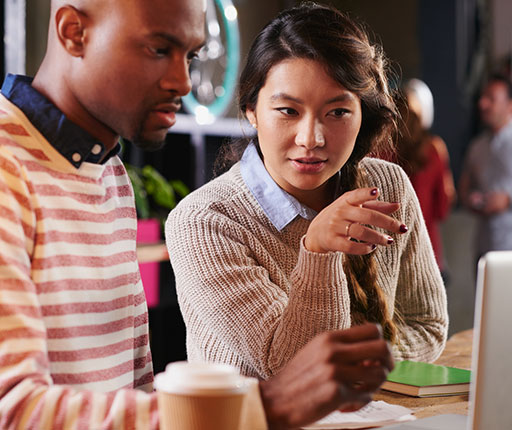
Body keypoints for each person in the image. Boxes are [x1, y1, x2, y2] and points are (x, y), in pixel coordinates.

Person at [0, 0, 394, 429]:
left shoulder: (106, 169)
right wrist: (263, 405)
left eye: (189, 56)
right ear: (74, 31)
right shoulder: (8, 165)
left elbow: (132, 388)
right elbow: (15, 410)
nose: (183, 82)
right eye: (158, 50)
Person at [166, 1, 448, 384]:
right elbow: (292, 371)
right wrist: (318, 251)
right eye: (287, 111)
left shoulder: (388, 185)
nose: (311, 139)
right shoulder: (204, 222)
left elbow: (427, 325)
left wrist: (354, 367)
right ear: (251, 109)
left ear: (362, 113)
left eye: (337, 112)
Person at [393, 79, 455, 280]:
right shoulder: (434, 150)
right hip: (427, 253)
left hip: (389, 257)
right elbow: (442, 209)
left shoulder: (376, 152)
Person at [459, 74, 512, 260]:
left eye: (491, 98)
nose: (482, 104)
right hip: (485, 249)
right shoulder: (477, 147)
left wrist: (507, 201)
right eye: (482, 97)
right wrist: (470, 199)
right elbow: (464, 189)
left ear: (509, 105)